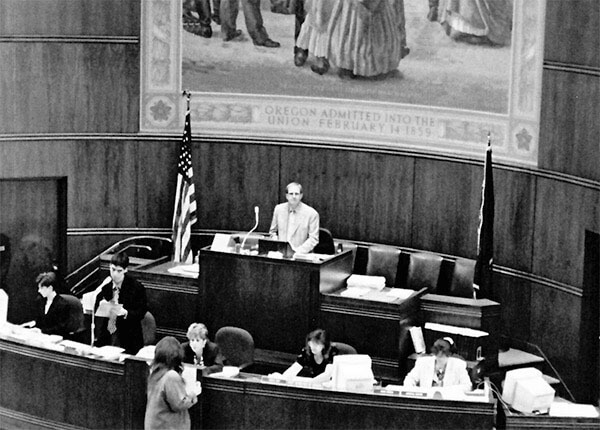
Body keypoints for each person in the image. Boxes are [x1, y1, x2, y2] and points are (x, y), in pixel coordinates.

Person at [326, 0, 409, 79]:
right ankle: (350, 66)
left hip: (376, 8)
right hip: (355, 8)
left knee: (378, 32)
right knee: (354, 31)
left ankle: (380, 66)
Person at [94, 251, 148, 354]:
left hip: (129, 337)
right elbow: (97, 310)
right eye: (113, 269)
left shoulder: (136, 288)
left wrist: (126, 313)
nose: (115, 274)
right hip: (107, 337)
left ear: (125, 270)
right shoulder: (106, 287)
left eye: (119, 271)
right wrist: (101, 306)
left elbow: (141, 312)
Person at [144, 336, 202, 430]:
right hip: (168, 426)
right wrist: (193, 394)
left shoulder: (155, 372)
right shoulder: (171, 376)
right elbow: (179, 404)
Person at [272, 329, 338, 384]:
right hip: (314, 384)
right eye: (311, 343)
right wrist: (282, 379)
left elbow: (327, 376)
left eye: (317, 344)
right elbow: (294, 369)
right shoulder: (307, 352)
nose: (313, 347)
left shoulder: (332, 352)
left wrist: (309, 382)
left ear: (324, 345)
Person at [269, 182, 319, 254]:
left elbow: (313, 239)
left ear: (301, 196)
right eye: (291, 194)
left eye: (296, 194)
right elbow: (272, 232)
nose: (294, 196)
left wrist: (297, 252)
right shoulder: (279, 209)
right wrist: (278, 246)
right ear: (286, 196)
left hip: (301, 256)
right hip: (280, 254)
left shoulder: (312, 214)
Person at [403, 337, 472, 389]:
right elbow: (409, 380)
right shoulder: (422, 362)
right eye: (437, 352)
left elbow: (467, 386)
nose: (440, 355)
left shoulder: (459, 365)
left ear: (450, 354)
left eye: (443, 353)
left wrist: (447, 392)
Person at [20, 272, 71, 337]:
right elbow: (40, 320)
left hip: (54, 338)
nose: (39, 291)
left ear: (50, 288)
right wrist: (30, 324)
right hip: (42, 336)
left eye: (41, 288)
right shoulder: (40, 301)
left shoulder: (63, 305)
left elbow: (61, 328)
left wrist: (42, 331)